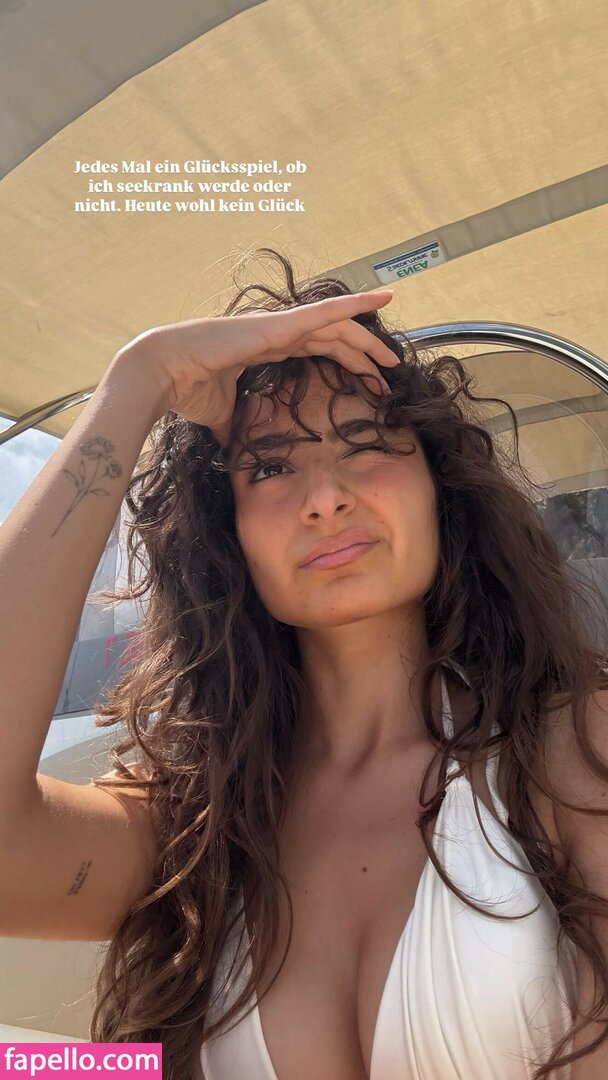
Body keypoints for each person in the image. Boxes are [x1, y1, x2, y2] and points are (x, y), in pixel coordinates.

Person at [1, 247, 608, 1080]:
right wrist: (140, 377)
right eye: (271, 466)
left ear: (442, 491)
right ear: (230, 532)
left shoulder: (576, 751)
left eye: (366, 443)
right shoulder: (192, 826)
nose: (324, 497)